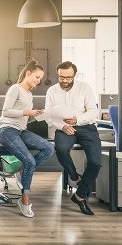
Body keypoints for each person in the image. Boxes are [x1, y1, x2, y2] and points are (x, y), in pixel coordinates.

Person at [0, 60, 54, 218]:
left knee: (49, 148)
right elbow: (6, 111)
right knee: (30, 161)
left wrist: (37, 115)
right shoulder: (15, 88)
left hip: (21, 129)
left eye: (40, 78)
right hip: (7, 129)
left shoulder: (29, 94)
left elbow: (25, 119)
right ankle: (25, 200)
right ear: (28, 73)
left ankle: (22, 172)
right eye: (36, 77)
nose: (38, 80)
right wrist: (28, 112)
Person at [45, 61, 100, 215]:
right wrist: (62, 126)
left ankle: (80, 195)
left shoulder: (85, 88)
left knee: (95, 163)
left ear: (74, 75)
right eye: (61, 77)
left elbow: (93, 112)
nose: (64, 81)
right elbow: (49, 116)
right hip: (63, 127)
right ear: (58, 75)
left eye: (68, 77)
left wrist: (77, 120)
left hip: (86, 127)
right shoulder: (52, 91)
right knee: (61, 148)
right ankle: (75, 178)